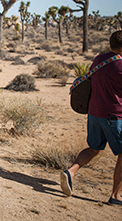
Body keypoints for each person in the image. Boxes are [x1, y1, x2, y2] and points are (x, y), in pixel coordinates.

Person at [60, 30, 122, 205]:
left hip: (94, 113)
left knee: (95, 148)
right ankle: (116, 196)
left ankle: (71, 172)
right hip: (114, 116)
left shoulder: (99, 59)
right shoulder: (120, 67)